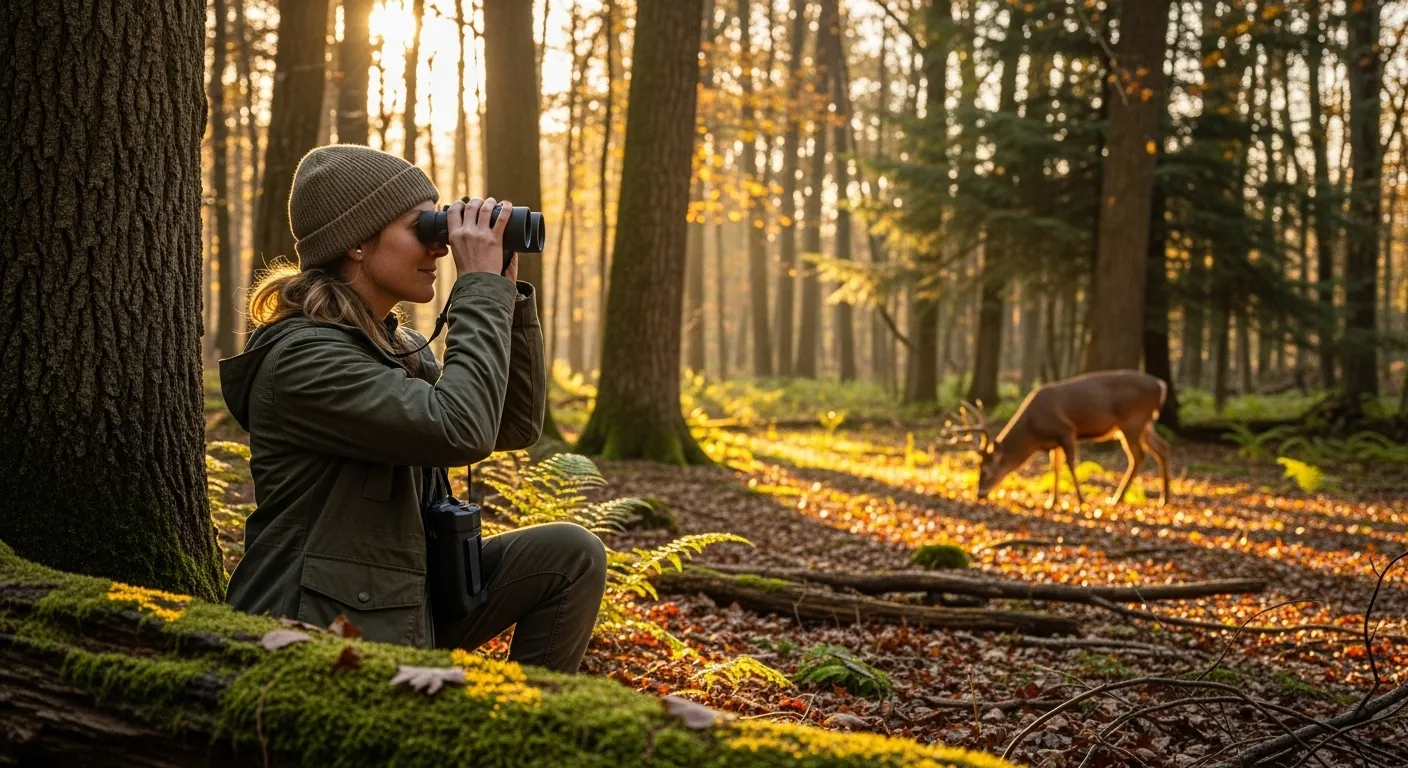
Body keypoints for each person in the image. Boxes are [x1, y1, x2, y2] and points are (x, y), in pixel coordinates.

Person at [219, 144, 606, 674]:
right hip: (317, 632)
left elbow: (511, 425)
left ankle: (528, 724)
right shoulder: (304, 359)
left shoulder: (397, 347)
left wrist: (505, 297)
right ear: (356, 242)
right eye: (422, 228)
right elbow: (461, 430)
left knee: (571, 554)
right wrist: (478, 290)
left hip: (403, 605)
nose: (441, 248)